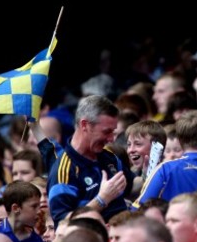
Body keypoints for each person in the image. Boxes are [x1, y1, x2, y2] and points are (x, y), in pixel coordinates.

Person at [46, 95, 134, 226]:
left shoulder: (109, 156)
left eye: (113, 132)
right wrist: (102, 200)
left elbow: (131, 184)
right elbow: (63, 224)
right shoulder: (63, 171)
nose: (111, 139)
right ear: (84, 125)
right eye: (106, 132)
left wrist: (151, 173)